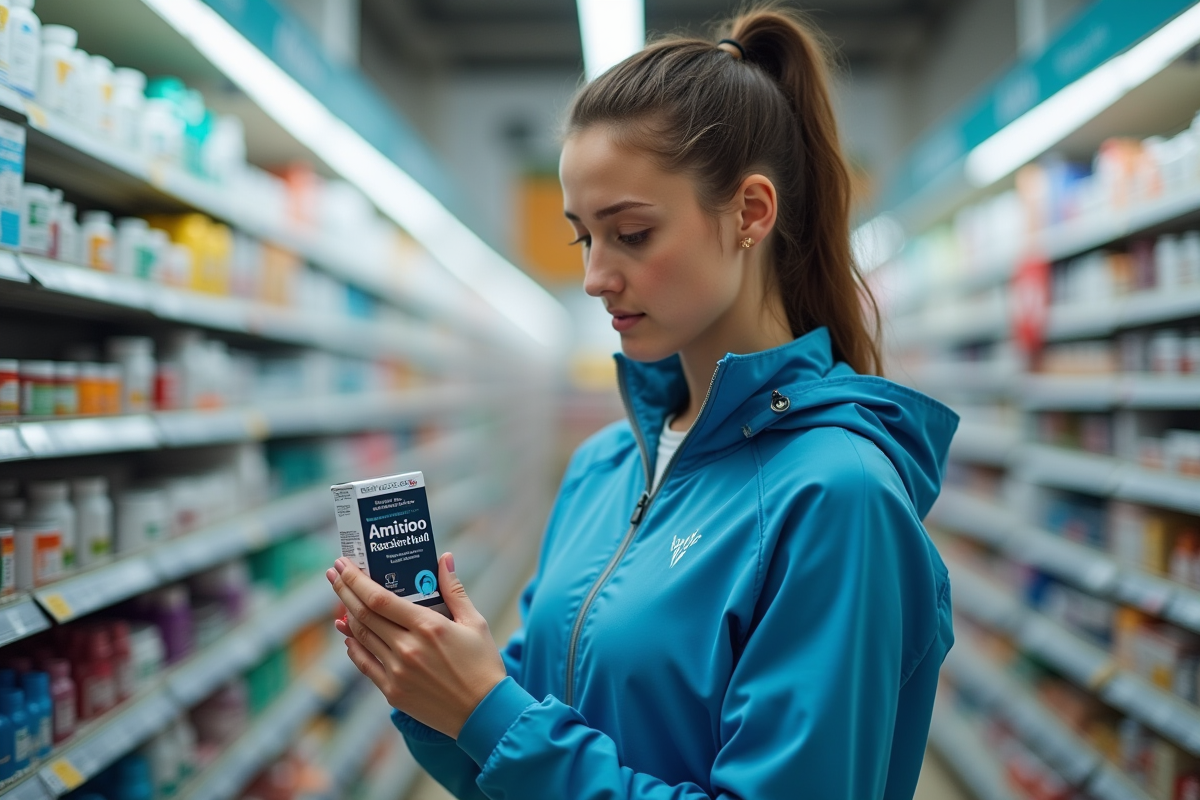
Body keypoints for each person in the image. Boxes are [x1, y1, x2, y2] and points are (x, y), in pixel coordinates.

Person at [326, 6, 958, 798]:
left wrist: (487, 713)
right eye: (583, 237)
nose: (594, 277)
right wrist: (433, 690)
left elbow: (516, 735)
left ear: (750, 213)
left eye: (630, 233)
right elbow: (515, 753)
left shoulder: (838, 498)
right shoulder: (603, 466)